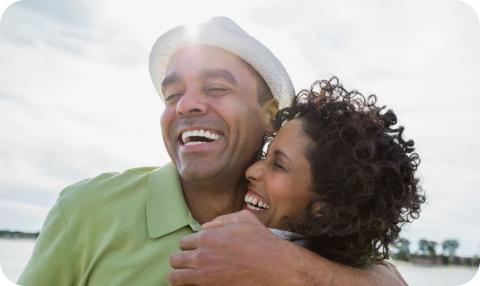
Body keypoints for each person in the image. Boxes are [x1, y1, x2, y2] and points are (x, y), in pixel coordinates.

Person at [18, 17, 407, 285]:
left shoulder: (305, 229)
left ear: (271, 115)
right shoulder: (84, 211)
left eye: (216, 88)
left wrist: (289, 270)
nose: (185, 104)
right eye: (172, 94)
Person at [205, 77, 424, 269]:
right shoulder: (358, 270)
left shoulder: (231, 259)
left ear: (324, 209)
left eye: (279, 165)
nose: (252, 170)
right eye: (265, 155)